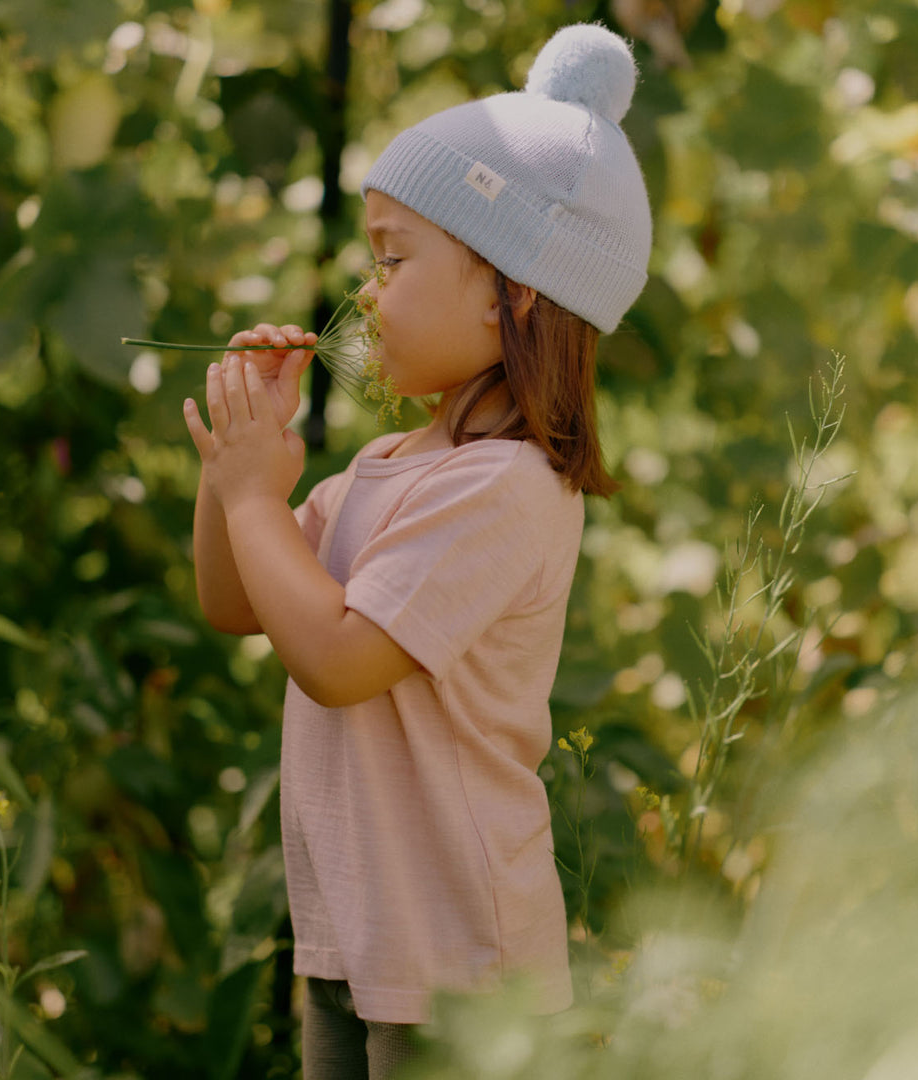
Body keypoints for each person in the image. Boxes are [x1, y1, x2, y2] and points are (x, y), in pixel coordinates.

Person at [183, 21, 653, 1080]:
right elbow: (235, 604)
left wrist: (263, 498)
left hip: (460, 967)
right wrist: (234, 481)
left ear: (512, 294)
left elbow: (340, 660)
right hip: (360, 937)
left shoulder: (507, 487)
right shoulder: (390, 464)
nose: (366, 292)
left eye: (392, 260)